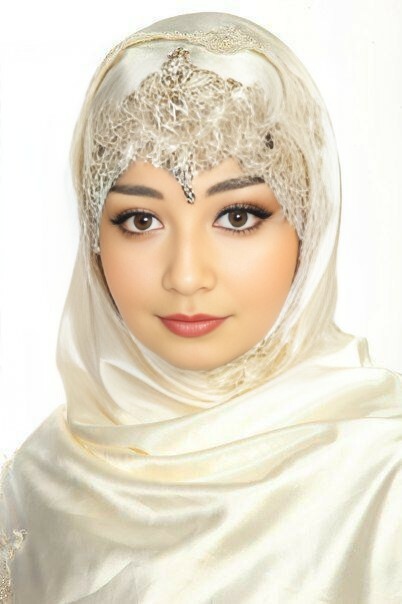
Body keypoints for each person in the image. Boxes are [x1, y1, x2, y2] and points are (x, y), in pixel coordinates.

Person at [1, 11, 401, 603]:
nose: (186, 276)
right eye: (141, 220)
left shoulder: (381, 478)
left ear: (310, 227)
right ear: (93, 238)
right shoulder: (36, 489)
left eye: (237, 217)